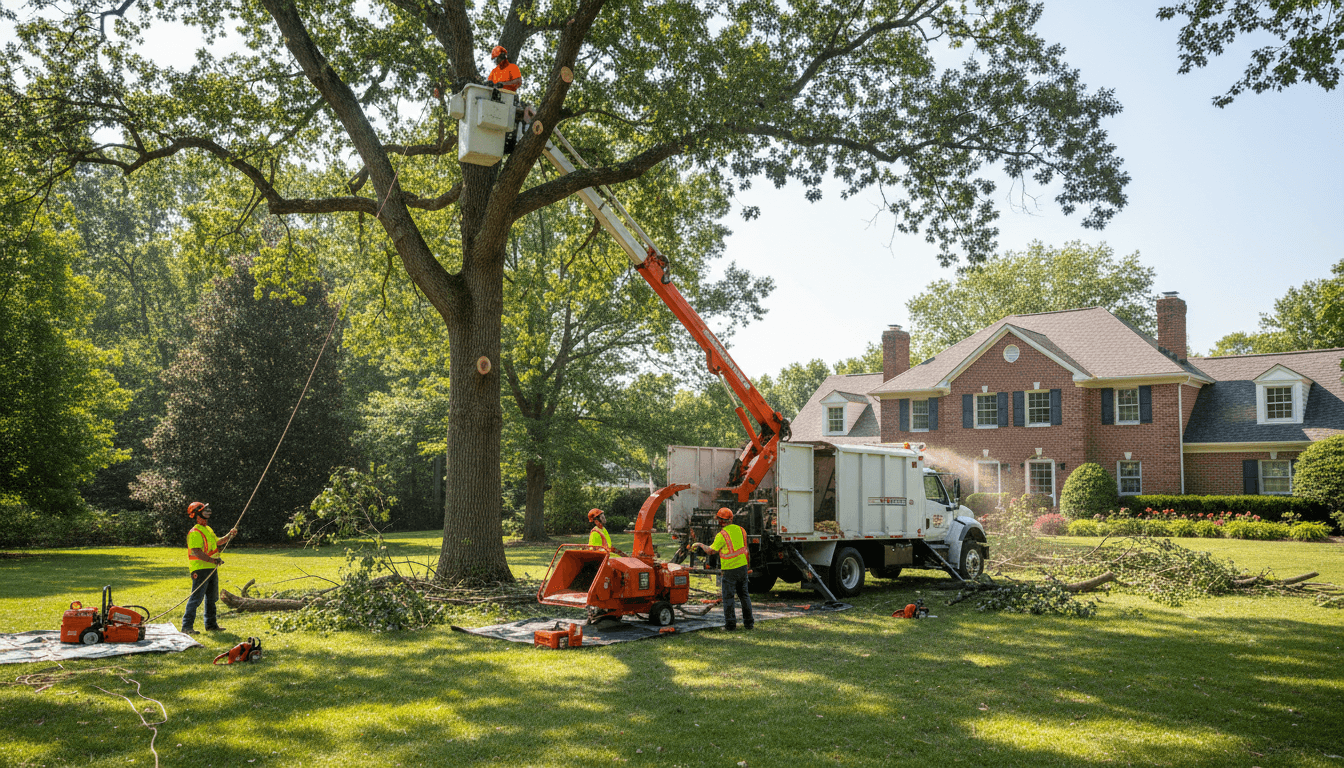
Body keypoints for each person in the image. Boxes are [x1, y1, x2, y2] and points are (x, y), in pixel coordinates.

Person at [694, 507, 754, 631]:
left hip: (730, 570)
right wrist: (747, 567)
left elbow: (711, 551)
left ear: (721, 521)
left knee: (728, 597)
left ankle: (730, 625)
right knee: (744, 596)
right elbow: (746, 549)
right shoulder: (741, 530)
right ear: (731, 519)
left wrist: (700, 544)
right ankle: (749, 624)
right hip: (742, 567)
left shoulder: (722, 535)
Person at [182, 501, 237, 635]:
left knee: (212, 598)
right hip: (200, 569)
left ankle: (211, 625)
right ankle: (187, 627)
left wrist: (229, 536)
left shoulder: (208, 529)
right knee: (196, 599)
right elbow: (196, 551)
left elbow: (218, 542)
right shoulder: (195, 532)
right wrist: (212, 560)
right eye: (204, 509)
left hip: (211, 568)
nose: (208, 511)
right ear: (196, 513)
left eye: (208, 509)